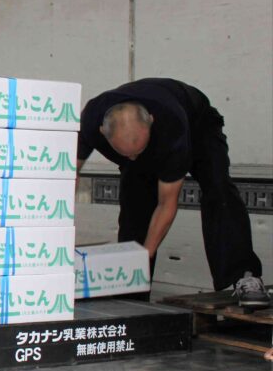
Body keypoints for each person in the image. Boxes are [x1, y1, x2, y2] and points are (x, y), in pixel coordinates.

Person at [76, 78, 268, 308]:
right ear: (101, 132)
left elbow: (166, 204)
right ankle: (131, 289)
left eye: (137, 151)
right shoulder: (89, 121)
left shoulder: (171, 126)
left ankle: (244, 276)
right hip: (155, 138)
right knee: (134, 206)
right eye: (126, 154)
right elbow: (67, 178)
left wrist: (143, 255)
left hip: (198, 127)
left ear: (151, 123)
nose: (134, 158)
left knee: (218, 189)